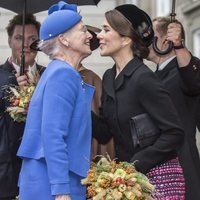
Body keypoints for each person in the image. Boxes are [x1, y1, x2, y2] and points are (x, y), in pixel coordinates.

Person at [92, 4, 185, 199]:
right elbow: (104, 132)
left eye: (106, 29)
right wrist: (75, 105)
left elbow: (175, 132)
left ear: (126, 38)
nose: (99, 35)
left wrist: (136, 164)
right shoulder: (109, 77)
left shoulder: (144, 79)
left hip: (159, 180)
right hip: (127, 181)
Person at [17, 1, 94, 200]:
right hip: (54, 184)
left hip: (50, 179)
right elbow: (53, 134)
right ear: (64, 40)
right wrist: (61, 189)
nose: (90, 36)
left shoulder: (57, 71)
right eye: (83, 30)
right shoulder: (63, 74)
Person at [147, 16, 200, 200]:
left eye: (149, 35)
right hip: (156, 167)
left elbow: (193, 80)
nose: (144, 40)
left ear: (164, 41)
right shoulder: (151, 76)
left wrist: (178, 46)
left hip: (183, 165)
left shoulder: (183, 70)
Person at [0, 13, 44, 200]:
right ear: (9, 41)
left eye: (32, 39)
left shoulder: (50, 76)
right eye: (19, 38)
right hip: (5, 175)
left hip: (41, 173)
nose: (26, 45)